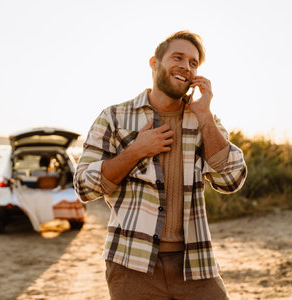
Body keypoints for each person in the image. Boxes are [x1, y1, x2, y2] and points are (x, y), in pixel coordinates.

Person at [73, 30, 247, 299]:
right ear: (154, 63)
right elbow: (84, 187)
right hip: (131, 264)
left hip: (195, 262)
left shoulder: (204, 120)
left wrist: (205, 115)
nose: (186, 67)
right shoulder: (114, 117)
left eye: (193, 63)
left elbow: (231, 180)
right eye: (178, 57)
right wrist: (136, 151)